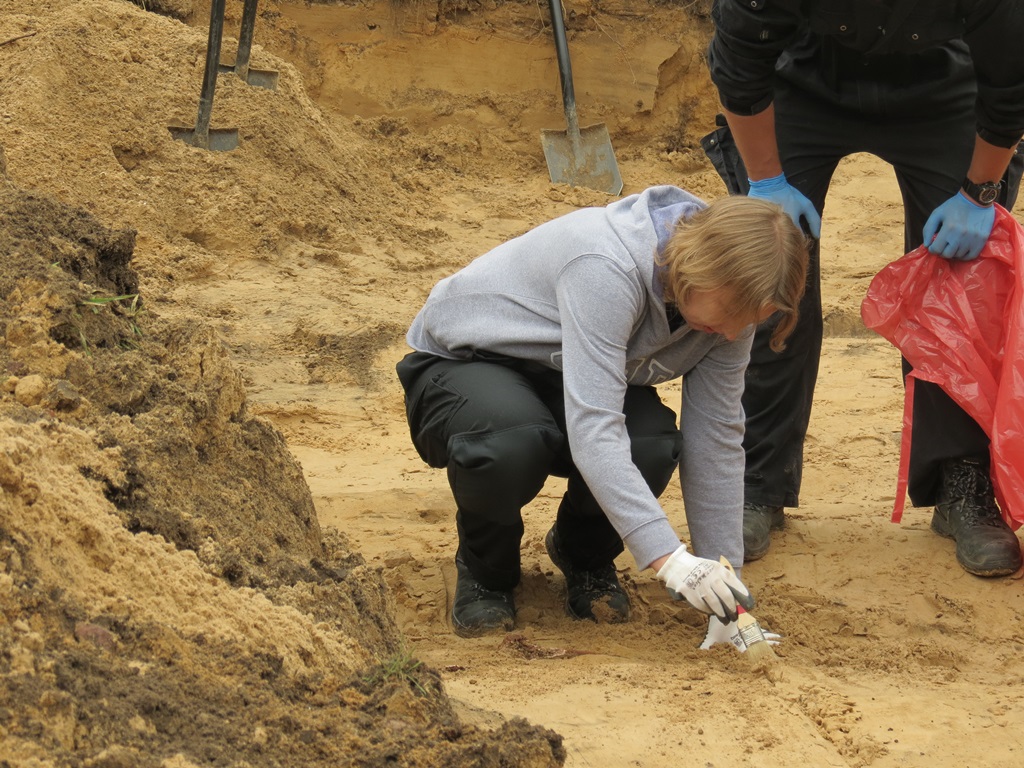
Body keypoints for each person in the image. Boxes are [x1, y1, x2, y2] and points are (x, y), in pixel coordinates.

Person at [395, 186, 809, 647]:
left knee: (651, 443)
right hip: (469, 361)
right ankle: (486, 570)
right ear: (703, 268)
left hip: (569, 371)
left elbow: (715, 436)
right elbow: (594, 427)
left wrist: (725, 585)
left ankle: (584, 556)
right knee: (509, 440)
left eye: (751, 320)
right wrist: (669, 560)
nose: (735, 331)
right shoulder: (605, 265)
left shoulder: (730, 313)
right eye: (733, 312)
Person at [703, 0, 1024, 575]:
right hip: (805, 77)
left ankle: (962, 482)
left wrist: (980, 193)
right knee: (770, 261)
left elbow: (1012, 83)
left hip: (943, 84)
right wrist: (766, 180)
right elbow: (739, 66)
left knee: (960, 275)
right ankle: (754, 482)